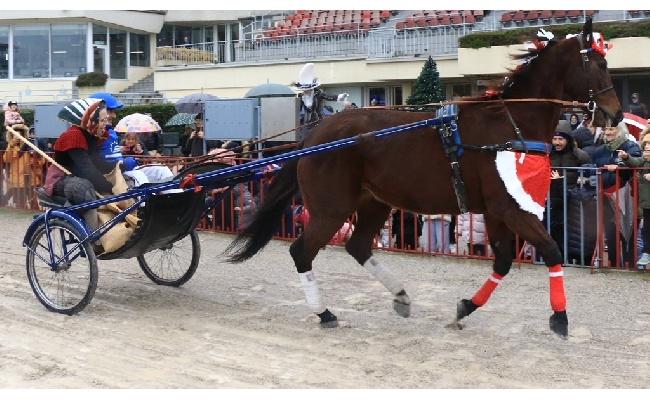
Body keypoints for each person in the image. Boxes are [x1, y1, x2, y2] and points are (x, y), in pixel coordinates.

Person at [43, 98, 114, 249]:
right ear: (90, 119)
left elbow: (98, 163)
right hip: (61, 178)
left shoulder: (93, 134)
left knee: (123, 181)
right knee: (84, 188)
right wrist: (108, 187)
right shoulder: (74, 135)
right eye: (102, 120)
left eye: (105, 119)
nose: (105, 123)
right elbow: (85, 169)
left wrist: (120, 167)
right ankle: (95, 241)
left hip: (78, 175)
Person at [91, 92, 178, 192]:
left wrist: (139, 153)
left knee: (162, 170)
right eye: (110, 111)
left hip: (124, 170)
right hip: (112, 174)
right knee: (138, 176)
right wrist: (122, 164)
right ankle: (148, 205)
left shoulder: (111, 132)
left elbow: (145, 156)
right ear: (97, 112)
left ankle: (178, 200)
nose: (114, 115)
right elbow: (94, 163)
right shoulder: (92, 134)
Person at [591, 121, 642, 268]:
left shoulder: (630, 147)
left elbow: (634, 165)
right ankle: (613, 265)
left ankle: (630, 266)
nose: (607, 132)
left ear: (620, 130)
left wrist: (620, 167)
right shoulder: (600, 150)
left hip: (627, 197)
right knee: (611, 234)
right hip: (606, 196)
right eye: (606, 129)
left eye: (611, 129)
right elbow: (590, 166)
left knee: (629, 235)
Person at [546, 120, 591, 257]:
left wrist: (585, 179)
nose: (557, 142)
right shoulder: (547, 155)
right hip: (551, 200)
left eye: (560, 139)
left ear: (568, 140)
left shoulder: (580, 155)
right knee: (552, 234)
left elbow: (589, 172)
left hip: (572, 201)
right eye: (554, 138)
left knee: (572, 236)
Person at [291, 63, 348, 140]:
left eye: (306, 89)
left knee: (321, 139)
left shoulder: (319, 93)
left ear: (311, 88)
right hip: (307, 123)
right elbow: (297, 110)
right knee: (304, 140)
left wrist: (340, 97)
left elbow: (330, 96)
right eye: (303, 89)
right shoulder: (301, 96)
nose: (305, 91)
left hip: (320, 121)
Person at [620, 135, 650, 269]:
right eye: (645, 147)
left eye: (649, 147)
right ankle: (646, 253)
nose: (647, 149)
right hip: (646, 202)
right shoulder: (643, 160)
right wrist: (626, 157)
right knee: (646, 229)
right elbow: (635, 162)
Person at [2, 124, 44, 207]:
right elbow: (6, 159)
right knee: (20, 202)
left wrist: (35, 162)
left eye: (19, 135)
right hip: (17, 178)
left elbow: (41, 159)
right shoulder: (11, 147)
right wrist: (11, 146)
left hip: (30, 176)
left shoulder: (30, 145)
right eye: (15, 135)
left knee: (33, 202)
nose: (17, 137)